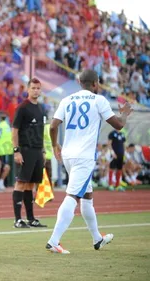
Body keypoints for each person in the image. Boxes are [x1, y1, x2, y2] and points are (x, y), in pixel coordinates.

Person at [46, 69, 133, 254]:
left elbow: (53, 126)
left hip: (68, 155)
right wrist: (124, 113)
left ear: (79, 82)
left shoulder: (66, 100)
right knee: (73, 197)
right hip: (84, 157)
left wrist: (55, 145)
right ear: (96, 83)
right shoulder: (99, 100)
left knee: (87, 197)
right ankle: (54, 240)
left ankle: (97, 239)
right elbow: (118, 125)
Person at [11, 78, 47, 228]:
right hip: (25, 150)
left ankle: (31, 218)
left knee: (31, 185)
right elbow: (15, 132)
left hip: (38, 151)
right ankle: (18, 220)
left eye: (38, 88)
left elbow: (41, 131)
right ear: (28, 89)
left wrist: (43, 150)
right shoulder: (22, 108)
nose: (36, 91)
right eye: (33, 88)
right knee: (21, 183)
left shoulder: (41, 109)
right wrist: (16, 151)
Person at [0, 114, 12, 190]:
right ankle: (0, 182)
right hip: (7, 149)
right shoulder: (8, 126)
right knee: (4, 166)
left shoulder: (0, 126)